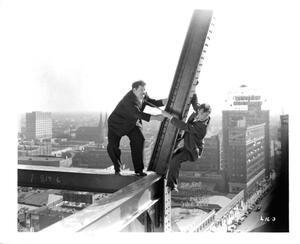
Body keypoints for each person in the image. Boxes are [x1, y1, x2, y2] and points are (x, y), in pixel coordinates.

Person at [107, 80, 167, 176]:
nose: (144, 92)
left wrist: (167, 100)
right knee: (113, 146)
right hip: (117, 124)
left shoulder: (143, 95)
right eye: (141, 90)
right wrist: (157, 118)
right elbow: (138, 114)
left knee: (139, 140)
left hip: (132, 123)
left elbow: (152, 102)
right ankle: (117, 167)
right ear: (134, 90)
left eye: (144, 89)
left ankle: (139, 170)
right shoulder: (128, 100)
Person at [161, 93, 211, 191]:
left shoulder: (202, 128)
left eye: (203, 115)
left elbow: (185, 126)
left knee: (175, 160)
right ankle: (167, 177)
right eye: (199, 113)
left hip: (192, 150)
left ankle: (171, 186)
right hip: (186, 142)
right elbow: (195, 102)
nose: (200, 116)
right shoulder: (199, 110)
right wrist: (194, 88)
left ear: (208, 114)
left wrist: (169, 117)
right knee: (171, 156)